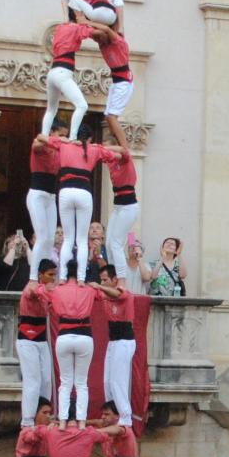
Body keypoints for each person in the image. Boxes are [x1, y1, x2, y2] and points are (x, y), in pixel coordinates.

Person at [49, 259, 122, 422]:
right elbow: (110, 294)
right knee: (81, 383)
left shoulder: (57, 290)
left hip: (64, 335)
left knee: (65, 382)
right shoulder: (89, 289)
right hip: (84, 335)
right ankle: (81, 421)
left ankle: (62, 420)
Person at [49, 129, 114, 277]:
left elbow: (45, 139)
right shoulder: (94, 148)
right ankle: (80, 278)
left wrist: (65, 140)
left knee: (68, 238)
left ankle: (64, 276)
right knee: (82, 239)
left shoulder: (64, 145)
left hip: (65, 190)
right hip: (84, 191)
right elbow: (113, 154)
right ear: (89, 138)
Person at [42, 12, 98, 144]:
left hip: (53, 72)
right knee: (82, 105)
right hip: (63, 72)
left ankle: (44, 135)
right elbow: (94, 33)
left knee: (51, 109)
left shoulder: (61, 28)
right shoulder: (76, 28)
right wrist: (90, 23)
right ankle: (72, 137)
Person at [17, 262, 59, 427]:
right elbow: (34, 292)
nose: (52, 278)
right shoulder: (32, 287)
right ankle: (27, 420)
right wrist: (50, 290)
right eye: (50, 275)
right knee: (32, 380)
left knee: (47, 381)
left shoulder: (47, 289)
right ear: (40, 275)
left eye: (54, 275)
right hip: (27, 341)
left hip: (41, 341)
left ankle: (43, 415)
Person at [101, 269, 137, 426]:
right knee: (107, 381)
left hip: (124, 341)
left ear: (114, 280)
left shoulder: (124, 294)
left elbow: (117, 294)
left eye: (105, 280)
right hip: (113, 341)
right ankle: (113, 413)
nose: (102, 283)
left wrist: (99, 286)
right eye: (101, 280)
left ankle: (125, 416)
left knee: (118, 380)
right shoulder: (105, 296)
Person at [28, 134, 62, 269]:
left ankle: (46, 273)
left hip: (51, 196)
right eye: (61, 134)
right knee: (41, 237)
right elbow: (36, 144)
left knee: (49, 239)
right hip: (37, 194)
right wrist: (52, 141)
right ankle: (34, 276)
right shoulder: (41, 144)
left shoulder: (59, 149)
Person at [105, 143, 139, 274]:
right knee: (109, 244)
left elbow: (122, 152)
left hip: (128, 205)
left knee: (115, 244)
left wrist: (103, 148)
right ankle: (113, 274)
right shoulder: (111, 162)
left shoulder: (124, 160)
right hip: (118, 205)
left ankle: (120, 278)